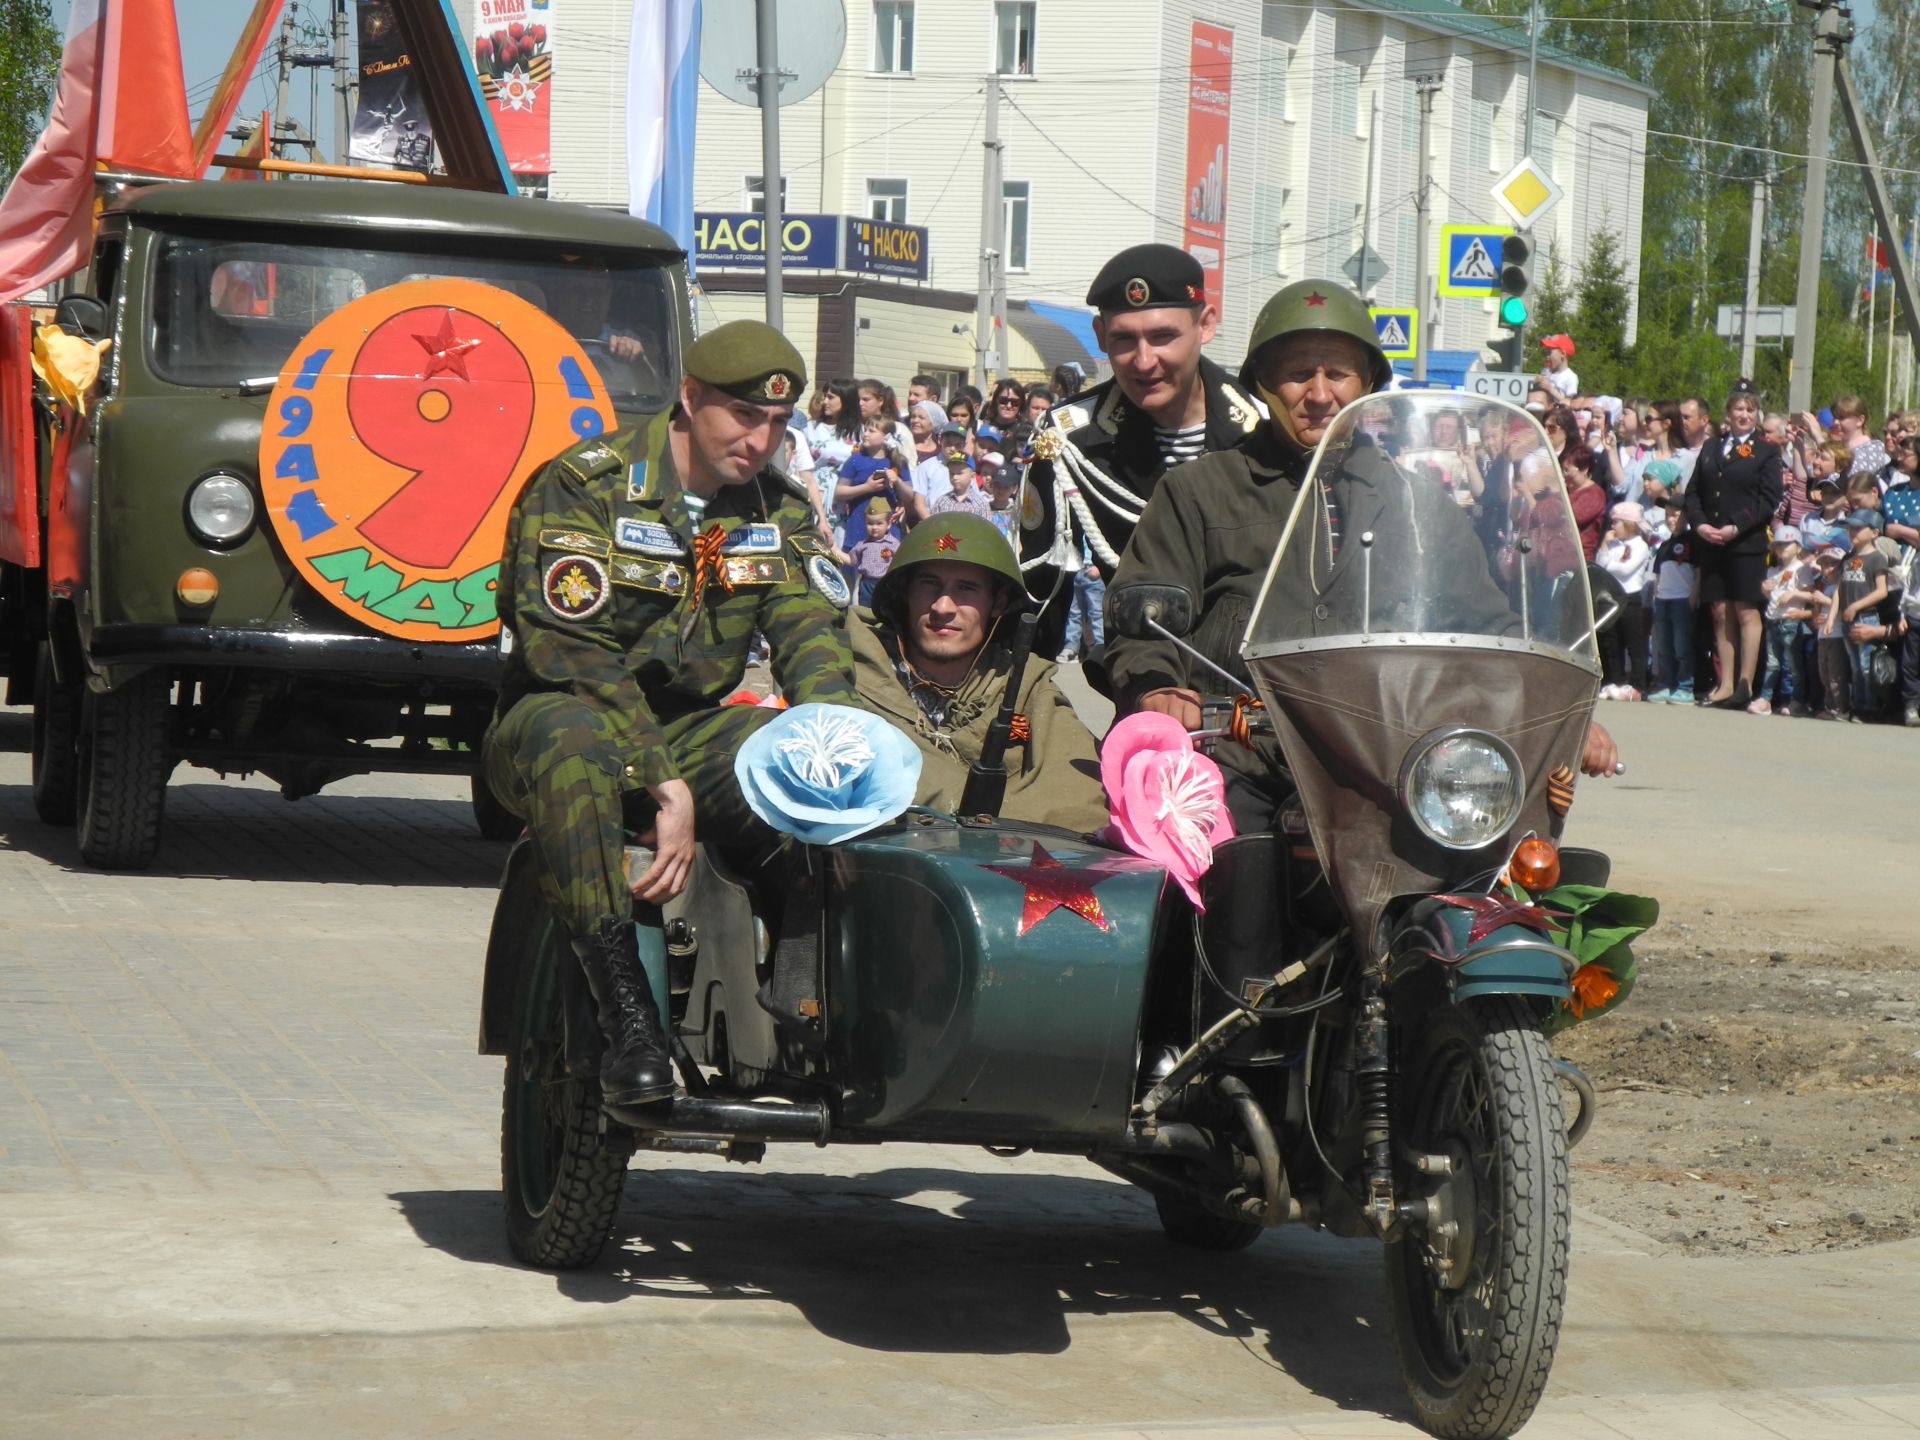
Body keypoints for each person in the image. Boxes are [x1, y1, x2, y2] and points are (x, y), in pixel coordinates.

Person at [484, 320, 857, 1107]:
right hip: (557, 722)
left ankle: (803, 1000)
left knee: (792, 748)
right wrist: (662, 781)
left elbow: (808, 635)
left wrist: (837, 738)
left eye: (780, 424)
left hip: (687, 729)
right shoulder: (588, 483)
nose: (762, 441)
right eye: (744, 417)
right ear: (689, 398)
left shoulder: (776, 511)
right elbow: (565, 649)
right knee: (571, 735)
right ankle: (629, 1023)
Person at [1106, 279, 1618, 834]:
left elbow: (1490, 627)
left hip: (1393, 761)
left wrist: (1567, 711)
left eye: (1338, 374)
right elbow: (1145, 620)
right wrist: (1155, 687)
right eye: (1299, 373)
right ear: (1264, 385)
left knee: (1491, 865)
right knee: (1227, 879)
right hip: (1240, 759)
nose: (1320, 394)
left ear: (1369, 383)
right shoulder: (1200, 491)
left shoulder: (1422, 502)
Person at [1018, 243, 1264, 654]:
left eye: (1163, 336)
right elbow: (1039, 593)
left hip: (1252, 685)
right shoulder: (1069, 441)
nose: (1144, 361)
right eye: (1124, 340)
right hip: (1139, 680)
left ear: (1205, 324)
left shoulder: (1265, 431)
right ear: (1099, 336)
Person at [849, 514, 1107, 831]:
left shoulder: (1024, 687)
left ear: (997, 603)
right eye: (929, 584)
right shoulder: (855, 671)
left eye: (966, 589)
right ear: (905, 593)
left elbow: (1079, 797)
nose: (943, 607)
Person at [1685, 381, 1783, 709]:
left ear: (1757, 414)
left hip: (1746, 542)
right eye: (1738, 408)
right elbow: (1694, 492)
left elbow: (1768, 500)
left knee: (1746, 611)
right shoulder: (1712, 446)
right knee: (1719, 611)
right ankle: (1724, 684)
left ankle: (1745, 684)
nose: (1744, 414)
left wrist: (1734, 527)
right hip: (1712, 541)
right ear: (1728, 412)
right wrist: (1700, 524)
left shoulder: (1767, 450)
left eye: (1750, 409)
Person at [1597, 502, 1653, 700]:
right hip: (1612, 599)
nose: (1613, 527)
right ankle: (1615, 680)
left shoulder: (1641, 545)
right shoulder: (1613, 545)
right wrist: (1604, 545)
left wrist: (1609, 564)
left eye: (1617, 523)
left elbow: (1625, 569)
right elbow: (1600, 565)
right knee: (1612, 641)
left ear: (1629, 524)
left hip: (1631, 598)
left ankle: (1638, 684)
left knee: (1634, 643)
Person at [1757, 527, 1814, 715]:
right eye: (1778, 545)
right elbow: (1772, 597)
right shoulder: (1773, 570)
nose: (1781, 548)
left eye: (1786, 544)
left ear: (1798, 547)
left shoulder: (1802, 569)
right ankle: (1766, 698)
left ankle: (1795, 700)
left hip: (1791, 620)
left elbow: (1811, 595)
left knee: (1792, 664)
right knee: (1772, 662)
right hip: (1773, 619)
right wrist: (1765, 590)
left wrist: (1794, 594)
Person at [1647, 496, 1698, 704]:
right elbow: (1658, 574)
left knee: (1682, 645)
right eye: (1667, 514)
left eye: (1675, 514)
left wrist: (1694, 595)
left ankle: (1685, 686)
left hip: (1682, 598)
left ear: (1686, 515)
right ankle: (1667, 684)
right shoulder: (1665, 545)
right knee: (1665, 646)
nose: (1670, 519)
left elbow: (1698, 571)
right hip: (1663, 599)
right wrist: (1656, 595)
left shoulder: (1693, 541)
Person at [1056, 533, 1105, 664]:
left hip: (1094, 573)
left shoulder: (1096, 528)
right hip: (1080, 570)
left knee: (1097, 614)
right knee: (1075, 613)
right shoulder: (1080, 529)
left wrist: (1099, 568)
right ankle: (1071, 648)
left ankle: (1100, 649)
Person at [844, 505, 898, 606]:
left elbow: (900, 560)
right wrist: (834, 549)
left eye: (879, 523)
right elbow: (851, 560)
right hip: (866, 584)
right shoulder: (862, 544)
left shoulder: (893, 544)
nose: (874, 527)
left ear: (888, 524)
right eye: (870, 523)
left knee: (884, 609)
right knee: (865, 609)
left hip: (885, 583)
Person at [1539, 334, 1579, 398]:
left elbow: (1569, 403)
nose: (1547, 356)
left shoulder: (1570, 377)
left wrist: (1550, 389)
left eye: (1549, 352)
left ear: (1563, 354)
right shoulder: (1547, 373)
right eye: (1545, 352)